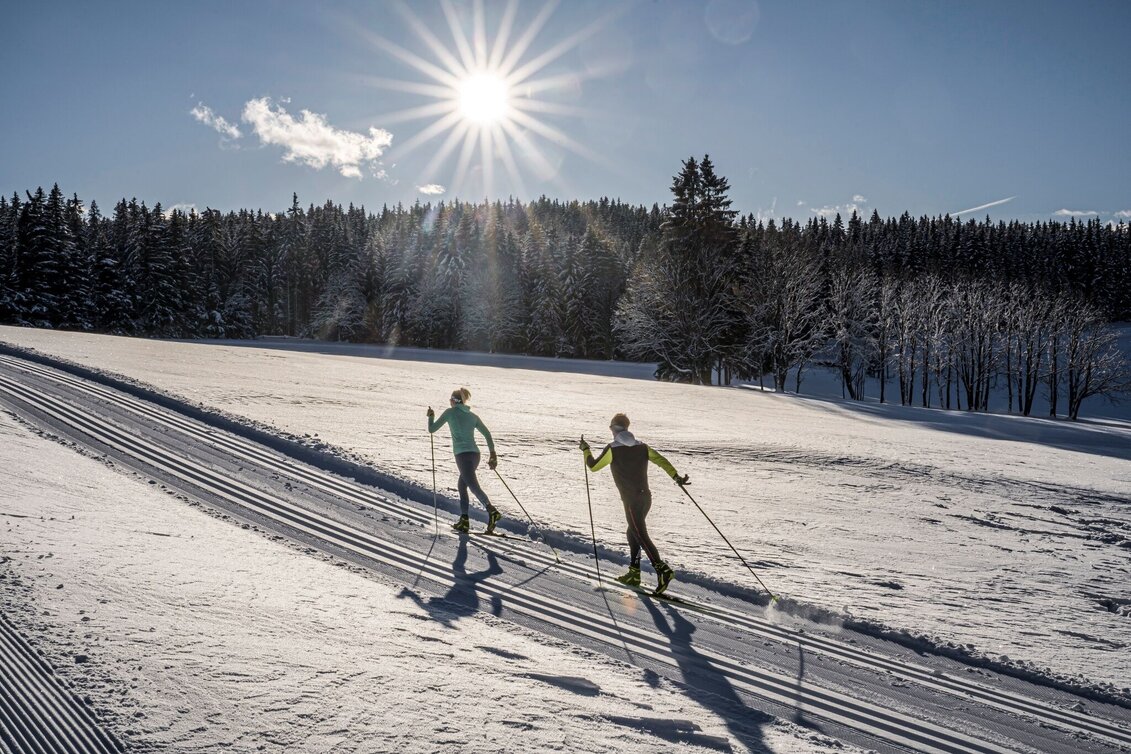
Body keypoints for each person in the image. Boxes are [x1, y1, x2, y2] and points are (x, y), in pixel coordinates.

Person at [579, 413, 688, 594]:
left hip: (631, 501)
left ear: (614, 429)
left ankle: (663, 570)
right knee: (633, 533)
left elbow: (593, 466)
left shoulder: (613, 449)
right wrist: (676, 476)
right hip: (646, 499)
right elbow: (661, 460)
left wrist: (585, 450)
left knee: (640, 534)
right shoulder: (642, 447)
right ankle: (634, 573)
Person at [428, 387, 501, 534]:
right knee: (462, 485)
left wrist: (431, 416)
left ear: (455, 401)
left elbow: (432, 429)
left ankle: (492, 511)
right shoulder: (472, 416)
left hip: (462, 455)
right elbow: (487, 434)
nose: (449, 402)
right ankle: (464, 520)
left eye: (450, 399)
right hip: (475, 455)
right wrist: (493, 454)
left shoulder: (450, 413)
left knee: (473, 486)